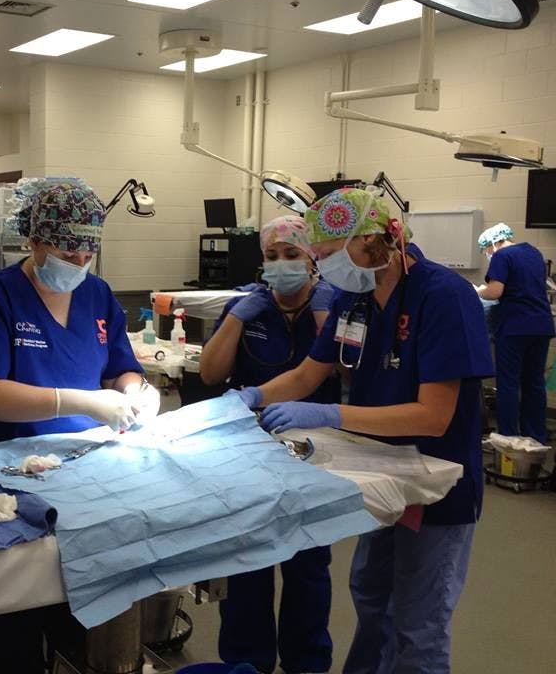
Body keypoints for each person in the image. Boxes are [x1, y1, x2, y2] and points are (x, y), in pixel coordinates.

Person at [232, 188, 493, 674]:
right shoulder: (356, 297)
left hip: (437, 486)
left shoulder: (443, 296)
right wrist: (252, 396)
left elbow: (433, 416)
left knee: (419, 623)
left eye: (328, 254)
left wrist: (332, 417)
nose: (323, 265)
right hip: (383, 474)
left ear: (372, 240)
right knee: (371, 598)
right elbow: (309, 374)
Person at [0, 177, 159, 674]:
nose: (80, 262)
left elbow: (120, 365)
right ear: (35, 239)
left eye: (89, 251)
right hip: (7, 473)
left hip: (87, 472)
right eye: (68, 249)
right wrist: (78, 400)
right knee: (13, 625)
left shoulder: (99, 295)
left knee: (79, 610)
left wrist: (131, 390)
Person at [200, 215, 339, 674]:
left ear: (313, 258)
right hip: (246, 449)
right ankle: (246, 663)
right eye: (272, 256)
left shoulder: (332, 306)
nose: (282, 265)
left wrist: (323, 313)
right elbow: (210, 374)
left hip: (315, 447)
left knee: (308, 565)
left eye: (293, 255)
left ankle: (307, 663)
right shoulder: (249, 307)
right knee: (246, 563)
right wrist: (237, 318)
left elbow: (346, 373)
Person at [476, 223, 554, 444]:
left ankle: (508, 438)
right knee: (534, 382)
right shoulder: (533, 252)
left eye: (486, 251)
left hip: (515, 328)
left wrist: (475, 291)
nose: (488, 255)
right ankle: (536, 437)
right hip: (541, 326)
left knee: (509, 383)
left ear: (493, 243)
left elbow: (494, 291)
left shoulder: (503, 255)